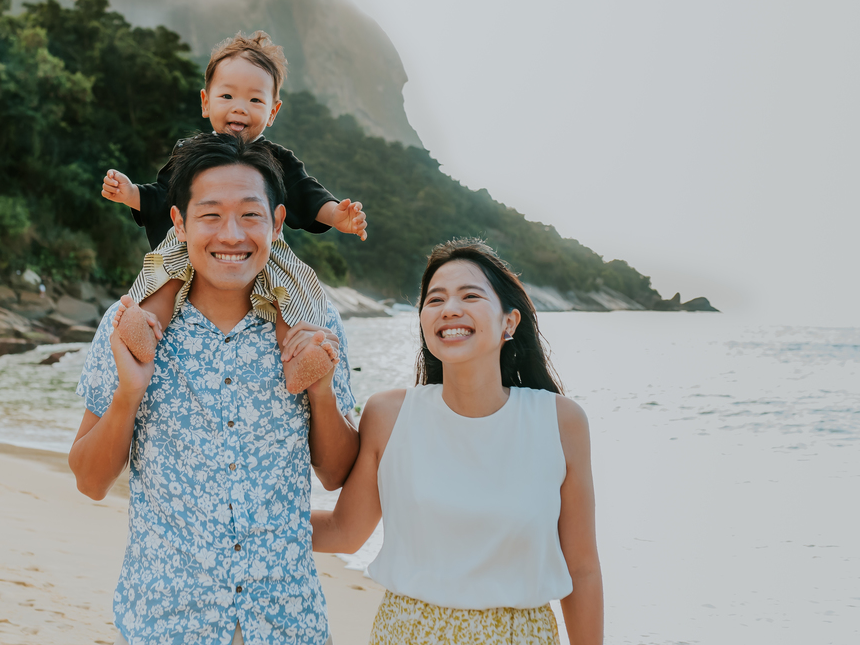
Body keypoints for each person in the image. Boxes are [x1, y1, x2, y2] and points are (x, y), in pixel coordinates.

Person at [71, 132, 360, 645]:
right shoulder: (132, 326)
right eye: (210, 215)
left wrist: (321, 391)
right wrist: (128, 396)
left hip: (287, 625)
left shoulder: (312, 326)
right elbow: (91, 482)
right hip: (166, 624)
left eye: (250, 215)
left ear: (277, 222)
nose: (231, 234)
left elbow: (336, 474)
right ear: (179, 223)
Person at [311, 239, 603, 645]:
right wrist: (232, 523)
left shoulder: (561, 421)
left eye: (470, 296)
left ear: (509, 322)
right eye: (435, 299)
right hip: (408, 635)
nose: (449, 308)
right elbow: (344, 531)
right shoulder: (389, 415)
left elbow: (582, 569)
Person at [100, 31, 367, 390]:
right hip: (192, 243)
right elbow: (164, 196)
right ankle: (146, 327)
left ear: (273, 111)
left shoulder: (277, 160)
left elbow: (306, 193)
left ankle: (298, 356)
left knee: (288, 292)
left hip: (260, 251)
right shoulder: (191, 154)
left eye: (255, 99)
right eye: (227, 96)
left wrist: (336, 215)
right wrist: (131, 193)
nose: (239, 108)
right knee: (167, 277)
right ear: (205, 102)